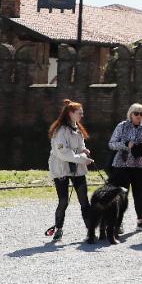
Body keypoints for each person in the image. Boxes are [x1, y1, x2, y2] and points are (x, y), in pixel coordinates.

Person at [47, 99, 95, 242]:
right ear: (70, 113)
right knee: (63, 201)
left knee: (84, 200)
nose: (82, 115)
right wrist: (82, 158)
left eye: (82, 113)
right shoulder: (59, 131)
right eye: (79, 113)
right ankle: (58, 229)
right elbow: (63, 153)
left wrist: (84, 150)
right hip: (61, 168)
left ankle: (90, 231)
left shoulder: (77, 129)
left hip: (77, 168)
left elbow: (79, 145)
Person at [107, 102, 142, 232]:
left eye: (141, 114)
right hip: (122, 165)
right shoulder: (122, 126)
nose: (139, 116)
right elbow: (111, 144)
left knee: (139, 195)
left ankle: (141, 222)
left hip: (139, 165)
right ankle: (118, 223)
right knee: (122, 195)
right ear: (130, 114)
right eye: (136, 113)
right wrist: (126, 144)